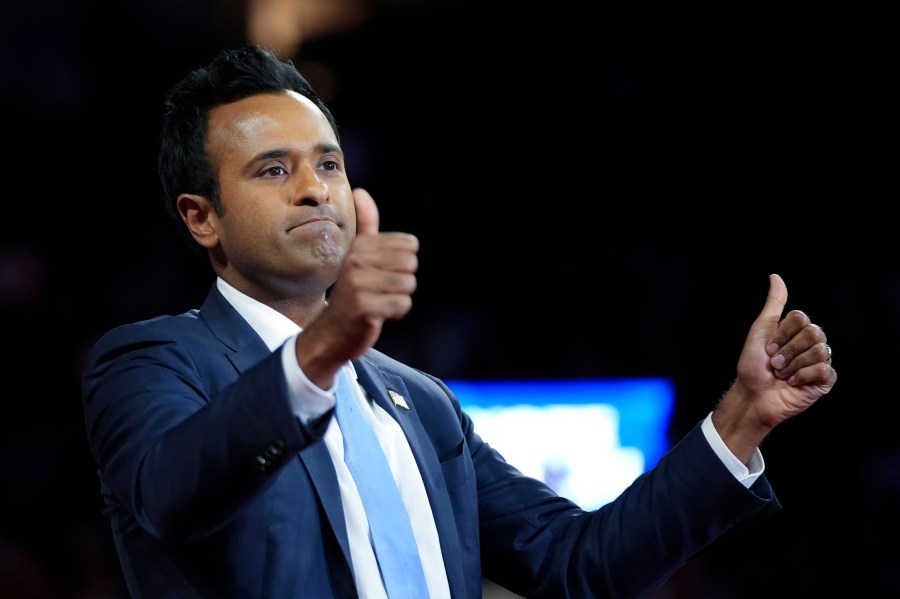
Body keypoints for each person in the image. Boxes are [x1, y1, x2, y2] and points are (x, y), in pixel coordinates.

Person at [81, 44, 837, 599]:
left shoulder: (421, 404)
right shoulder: (153, 359)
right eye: (274, 170)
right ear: (201, 216)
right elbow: (172, 494)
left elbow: (578, 561)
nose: (315, 190)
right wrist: (318, 352)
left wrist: (741, 417)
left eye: (330, 164)